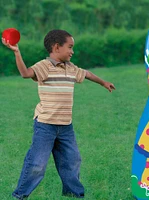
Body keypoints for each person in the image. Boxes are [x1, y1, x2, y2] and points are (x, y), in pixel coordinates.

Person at [2, 29, 115, 199]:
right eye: (70, 47)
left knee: (72, 161)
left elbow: (87, 74)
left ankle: (74, 193)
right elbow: (25, 74)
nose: (72, 51)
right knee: (37, 165)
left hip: (66, 126)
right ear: (56, 47)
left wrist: (103, 82)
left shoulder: (71, 68)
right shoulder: (44, 66)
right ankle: (20, 194)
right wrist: (17, 52)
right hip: (45, 125)